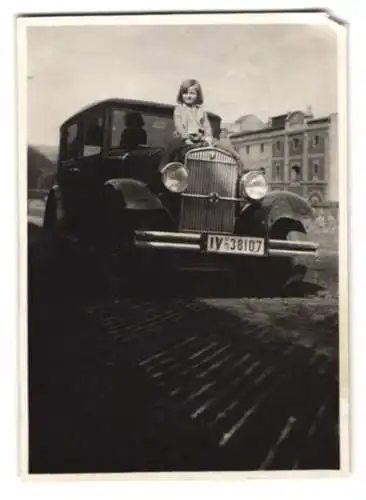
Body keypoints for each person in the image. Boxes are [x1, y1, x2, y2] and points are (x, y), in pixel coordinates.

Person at [163, 78, 243, 168]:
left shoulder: (201, 111)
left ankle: (237, 159)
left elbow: (206, 125)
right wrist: (185, 138)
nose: (188, 96)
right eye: (185, 93)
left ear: (198, 95)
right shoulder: (179, 109)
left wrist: (208, 137)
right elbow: (179, 126)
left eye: (192, 93)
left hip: (201, 138)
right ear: (181, 95)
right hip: (185, 137)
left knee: (223, 143)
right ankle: (164, 168)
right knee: (172, 146)